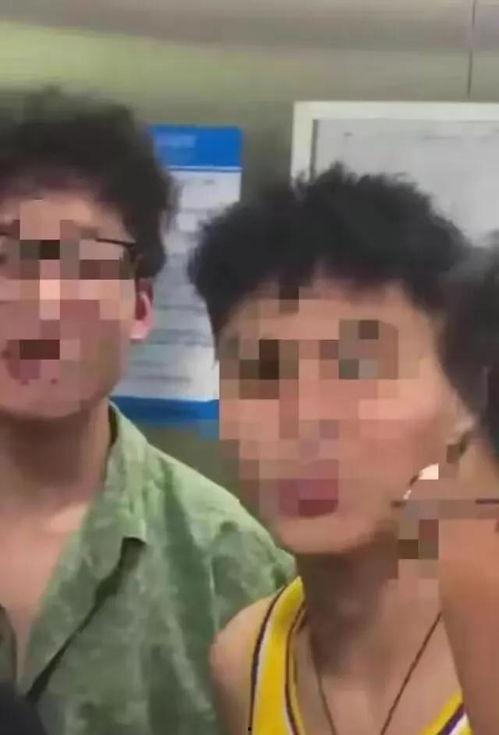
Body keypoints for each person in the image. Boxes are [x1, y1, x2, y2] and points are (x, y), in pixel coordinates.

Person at [0, 87, 294, 735]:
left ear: (139, 306)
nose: (41, 300)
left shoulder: (228, 561)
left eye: (82, 261)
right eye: (4, 257)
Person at [189, 164, 474, 734]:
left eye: (359, 367)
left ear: (467, 396)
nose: (305, 418)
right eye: (263, 371)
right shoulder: (246, 660)